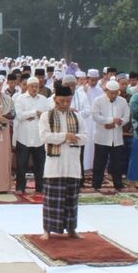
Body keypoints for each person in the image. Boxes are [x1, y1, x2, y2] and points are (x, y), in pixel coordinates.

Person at [39, 85, 87, 240]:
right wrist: (65, 136)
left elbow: (85, 137)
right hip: (55, 164)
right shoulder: (46, 116)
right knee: (52, 200)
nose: (65, 104)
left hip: (72, 164)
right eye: (61, 101)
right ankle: (47, 230)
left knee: (71, 199)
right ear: (55, 99)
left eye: (68, 101)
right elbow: (45, 137)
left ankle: (71, 229)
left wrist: (74, 138)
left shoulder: (77, 116)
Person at [91, 80, 130, 190]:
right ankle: (96, 185)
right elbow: (95, 116)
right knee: (99, 163)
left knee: (117, 163)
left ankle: (118, 185)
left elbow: (126, 117)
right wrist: (110, 120)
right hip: (102, 137)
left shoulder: (122, 101)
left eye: (115, 93)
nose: (113, 95)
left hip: (117, 138)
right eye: (111, 92)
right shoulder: (98, 101)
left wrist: (115, 125)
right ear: (106, 91)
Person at [13, 76, 50, 193]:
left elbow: (47, 115)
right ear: (27, 87)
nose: (34, 88)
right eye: (32, 86)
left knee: (40, 165)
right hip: (24, 136)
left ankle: (40, 187)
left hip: (39, 137)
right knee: (21, 164)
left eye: (36, 86)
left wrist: (29, 116)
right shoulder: (20, 99)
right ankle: (20, 187)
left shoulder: (44, 99)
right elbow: (18, 115)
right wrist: (34, 113)